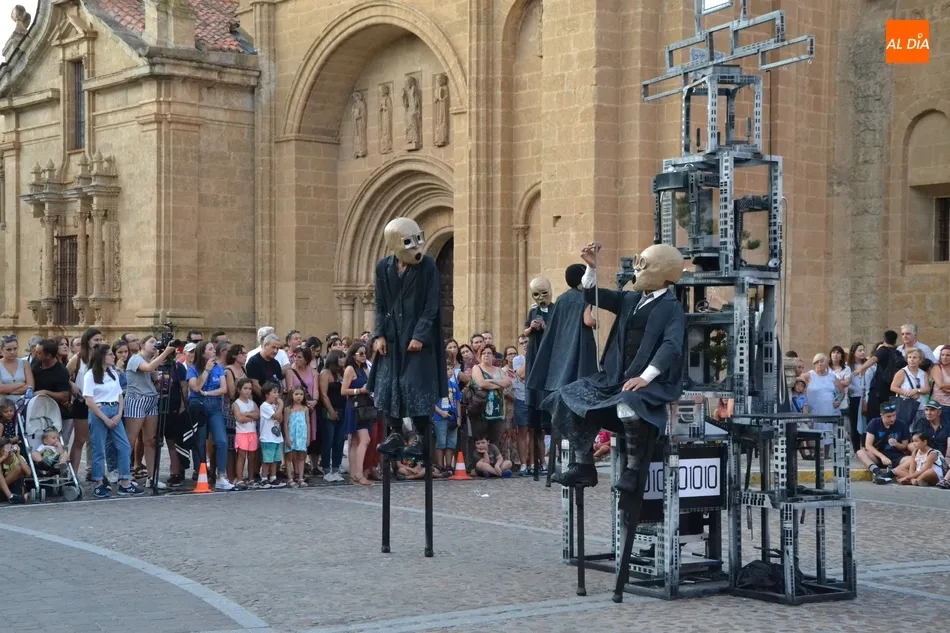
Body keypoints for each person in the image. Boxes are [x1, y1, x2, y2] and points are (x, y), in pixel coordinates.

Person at [546, 242, 686, 493]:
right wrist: (591, 269)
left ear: (663, 272)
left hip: (652, 383)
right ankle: (583, 465)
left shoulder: (672, 307)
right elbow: (593, 296)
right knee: (567, 395)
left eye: (643, 266)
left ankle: (633, 470)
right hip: (614, 378)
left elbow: (671, 345)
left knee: (628, 403)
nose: (637, 272)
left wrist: (646, 377)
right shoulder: (630, 298)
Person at [82, 343, 143, 498]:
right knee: (99, 448)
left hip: (114, 409)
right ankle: (99, 483)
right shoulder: (90, 375)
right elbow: (89, 400)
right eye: (110, 354)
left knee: (124, 446)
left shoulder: (112, 372)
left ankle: (125, 481)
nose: (113, 356)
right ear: (102, 357)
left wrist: (119, 413)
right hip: (99, 411)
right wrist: (104, 418)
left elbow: (119, 394)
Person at [187, 340, 233, 491]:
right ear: (203, 353)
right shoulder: (192, 369)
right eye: (210, 349)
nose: (214, 351)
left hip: (214, 406)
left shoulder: (218, 368)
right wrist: (206, 370)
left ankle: (221, 476)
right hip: (198, 406)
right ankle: (201, 474)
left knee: (221, 440)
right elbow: (196, 387)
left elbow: (224, 389)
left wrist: (207, 393)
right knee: (200, 442)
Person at [856, 400, 910, 485]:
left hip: (896, 456)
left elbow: (904, 446)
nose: (892, 419)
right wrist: (882, 457)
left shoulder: (902, 424)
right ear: (882, 415)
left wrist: (896, 444)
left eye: (894, 415)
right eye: (889, 416)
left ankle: (888, 475)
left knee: (911, 459)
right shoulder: (875, 423)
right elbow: (868, 445)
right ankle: (877, 472)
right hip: (878, 455)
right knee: (860, 452)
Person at [232, 378, 259, 489]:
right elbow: (239, 418)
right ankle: (239, 479)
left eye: (250, 389)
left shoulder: (252, 403)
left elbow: (257, 415)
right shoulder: (236, 404)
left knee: (252, 457)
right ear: (239, 389)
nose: (248, 391)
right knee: (241, 456)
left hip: (252, 432)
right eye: (245, 388)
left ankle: (251, 478)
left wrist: (247, 414)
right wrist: (251, 416)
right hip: (241, 433)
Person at [258, 381, 285, 489]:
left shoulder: (274, 406)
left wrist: (278, 407)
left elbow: (280, 419)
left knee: (275, 460)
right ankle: (264, 478)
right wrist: (281, 406)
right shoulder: (265, 406)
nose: (277, 395)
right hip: (268, 437)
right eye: (274, 392)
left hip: (276, 437)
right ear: (267, 394)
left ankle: (273, 477)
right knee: (267, 460)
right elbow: (276, 416)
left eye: (277, 392)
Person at [284, 386, 311, 487]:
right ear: (291, 395)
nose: (299, 396)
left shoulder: (305, 409)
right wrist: (287, 438)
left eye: (301, 394)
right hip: (291, 436)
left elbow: (308, 423)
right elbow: (285, 424)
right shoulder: (288, 409)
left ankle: (300, 478)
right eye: (296, 394)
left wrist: (308, 437)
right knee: (289, 457)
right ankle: (290, 478)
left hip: (301, 436)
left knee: (301, 457)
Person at [0, 438, 27, 503]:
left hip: (7, 488)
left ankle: (11, 497)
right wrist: (3, 457)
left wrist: (18, 454)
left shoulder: (14, 457)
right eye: (4, 450)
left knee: (18, 468)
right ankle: (11, 497)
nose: (8, 452)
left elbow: (28, 473)